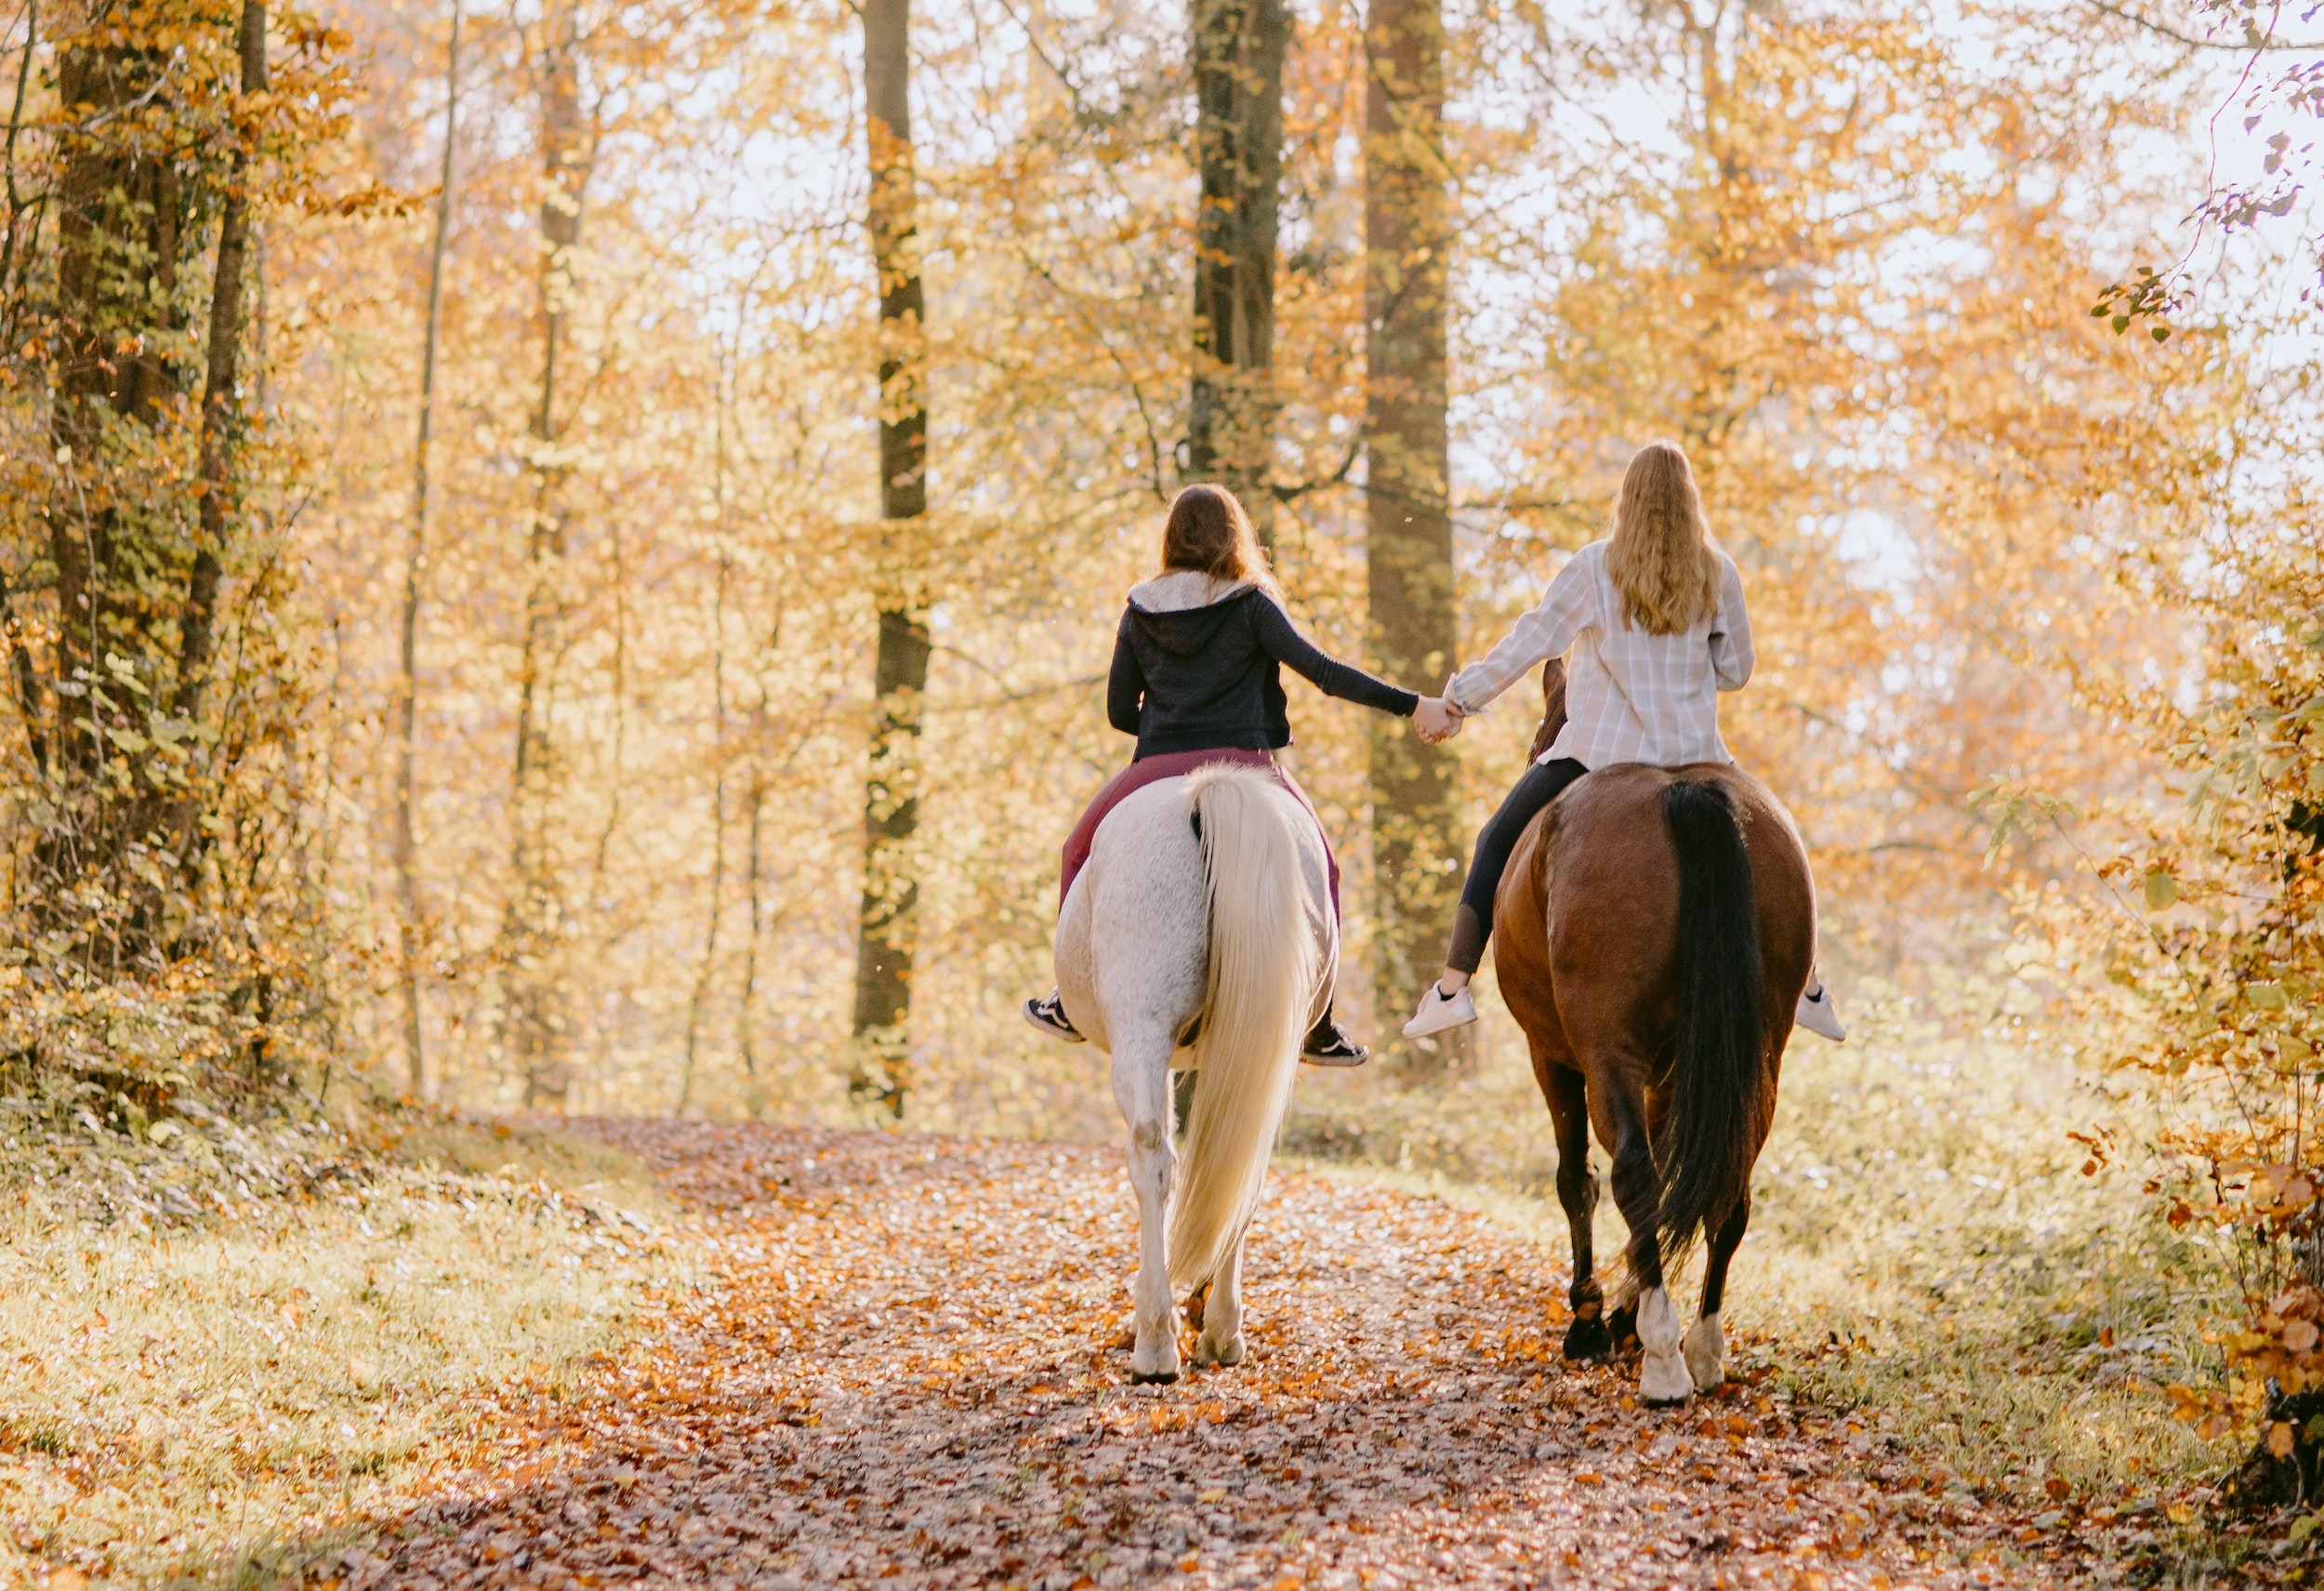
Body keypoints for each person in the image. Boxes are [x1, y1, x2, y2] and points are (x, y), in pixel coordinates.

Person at [1400, 440, 1846, 1043]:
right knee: (1775, 847)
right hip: (1698, 758)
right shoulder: (1718, 572)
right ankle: (1809, 987)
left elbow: (1531, 640)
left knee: (1496, 837)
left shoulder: (1594, 566)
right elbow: (1739, 671)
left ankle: (1452, 988)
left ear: (1627, 497)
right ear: (1689, 500)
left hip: (1598, 754)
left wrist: (1459, 699)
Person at [1026, 483, 1463, 1065]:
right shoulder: (1251, 603)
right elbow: (1324, 673)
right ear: (1235, 535)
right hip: (1249, 763)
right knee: (1325, 870)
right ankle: (1320, 1023)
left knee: (1077, 851)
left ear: (1170, 538)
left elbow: (1115, 711)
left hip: (1156, 764)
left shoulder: (1139, 610)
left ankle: (1067, 997)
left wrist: (1168, 730)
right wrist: (1414, 705)